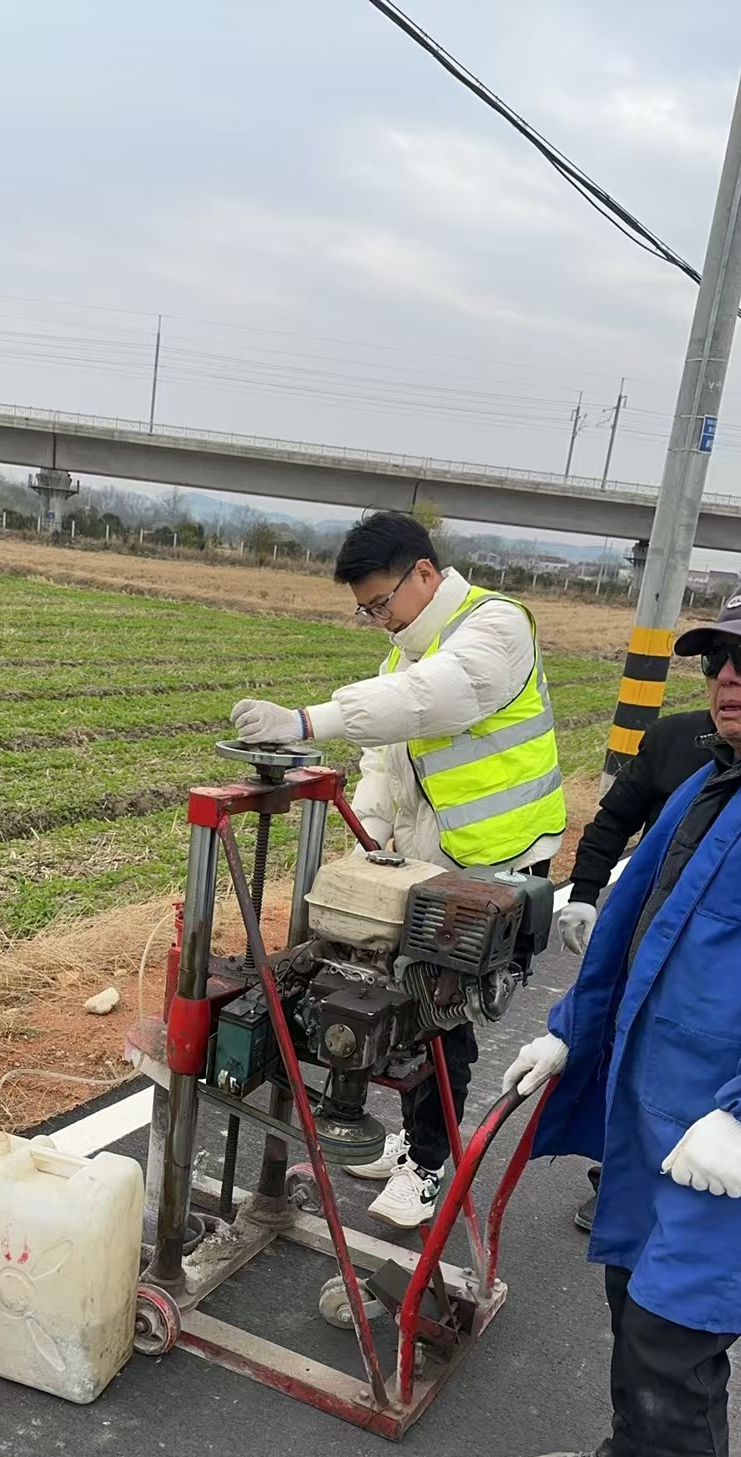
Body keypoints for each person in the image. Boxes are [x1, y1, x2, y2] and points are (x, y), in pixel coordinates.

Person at [503, 570, 741, 1457]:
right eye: (719, 660)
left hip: (732, 1127)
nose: (728, 679)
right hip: (656, 1100)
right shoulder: (718, 776)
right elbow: (639, 925)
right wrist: (571, 1027)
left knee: (678, 1326)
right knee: (630, 1284)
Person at [231, 510, 565, 1229]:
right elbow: (383, 767)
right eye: (366, 610)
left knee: (444, 1018)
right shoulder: (404, 656)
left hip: (493, 870)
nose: (378, 620)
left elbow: (430, 702)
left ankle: (428, 1163)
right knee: (395, 1005)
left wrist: (306, 722)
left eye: (381, 603)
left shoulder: (496, 627)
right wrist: (364, 856)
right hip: (428, 865)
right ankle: (413, 1141)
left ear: (424, 573)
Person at [559, 707, 713, 1231]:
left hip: (731, 952)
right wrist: (583, 893)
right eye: (717, 668)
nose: (731, 680)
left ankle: (684, 1182)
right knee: (633, 1055)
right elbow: (613, 821)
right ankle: (620, 1177)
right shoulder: (675, 739)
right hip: (653, 934)